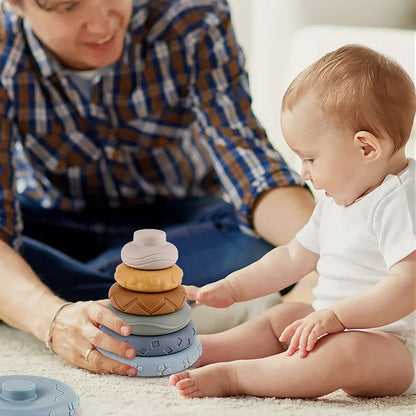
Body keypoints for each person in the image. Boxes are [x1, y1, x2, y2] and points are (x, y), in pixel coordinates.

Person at [0, 0, 314, 376]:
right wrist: (51, 320)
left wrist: (322, 255)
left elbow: (251, 164)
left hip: (179, 224)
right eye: (68, 5)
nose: (102, 21)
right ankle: (161, 304)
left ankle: (77, 297)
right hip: (48, 222)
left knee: (260, 242)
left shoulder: (193, 17)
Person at [170, 44, 416, 398]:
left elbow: (407, 287)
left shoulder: (400, 202)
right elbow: (290, 258)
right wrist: (233, 288)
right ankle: (202, 350)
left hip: (394, 346)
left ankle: (238, 377)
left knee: (343, 353)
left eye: (311, 158)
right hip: (329, 322)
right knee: (282, 320)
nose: (304, 172)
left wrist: (338, 318)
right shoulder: (337, 199)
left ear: (366, 148)